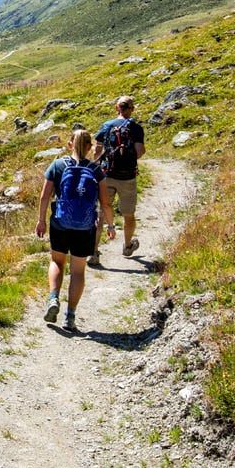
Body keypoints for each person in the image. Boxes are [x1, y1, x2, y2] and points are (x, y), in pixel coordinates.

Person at [35, 128, 116, 332]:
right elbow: (105, 203)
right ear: (89, 147)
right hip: (85, 226)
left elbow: (45, 196)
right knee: (78, 271)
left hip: (60, 222)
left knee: (57, 261)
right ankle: (70, 317)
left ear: (70, 144)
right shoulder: (96, 171)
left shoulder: (57, 165)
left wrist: (41, 220)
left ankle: (53, 298)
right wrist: (111, 225)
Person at [93, 95, 146, 257]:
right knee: (128, 214)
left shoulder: (107, 126)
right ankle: (128, 246)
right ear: (132, 109)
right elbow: (140, 151)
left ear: (117, 108)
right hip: (127, 177)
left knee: (101, 213)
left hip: (106, 176)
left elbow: (97, 151)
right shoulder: (136, 128)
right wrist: (127, 159)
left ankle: (93, 252)